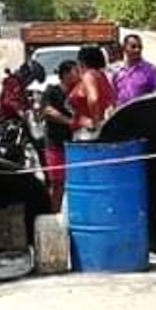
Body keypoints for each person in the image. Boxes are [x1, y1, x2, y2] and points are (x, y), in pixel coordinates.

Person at [40, 60, 80, 212]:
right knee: (57, 183)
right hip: (55, 144)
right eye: (75, 71)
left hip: (75, 145)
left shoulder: (79, 93)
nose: (79, 75)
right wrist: (69, 122)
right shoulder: (52, 91)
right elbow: (47, 111)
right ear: (65, 74)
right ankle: (53, 216)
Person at [69, 45, 116, 140]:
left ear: (82, 61)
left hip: (86, 133)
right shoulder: (101, 76)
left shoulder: (89, 76)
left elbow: (94, 98)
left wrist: (95, 123)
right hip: (98, 128)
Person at [111, 33, 156, 107]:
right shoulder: (116, 71)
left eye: (140, 47)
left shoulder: (152, 71)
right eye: (133, 47)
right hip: (122, 115)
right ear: (124, 48)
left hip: (143, 114)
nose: (137, 50)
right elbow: (112, 96)